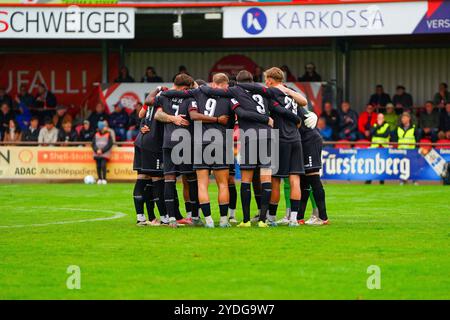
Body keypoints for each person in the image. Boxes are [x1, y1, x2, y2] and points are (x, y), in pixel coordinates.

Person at [162, 74, 235, 228]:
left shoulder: (197, 93)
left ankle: (208, 220)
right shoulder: (228, 97)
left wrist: (163, 91)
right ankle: (223, 220)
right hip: (219, 140)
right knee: (223, 184)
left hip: (200, 142)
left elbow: (177, 95)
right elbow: (234, 119)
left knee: (202, 184)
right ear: (222, 84)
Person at [154, 73, 199, 228]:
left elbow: (157, 114)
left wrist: (171, 118)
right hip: (185, 142)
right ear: (184, 87)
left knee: (169, 179)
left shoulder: (163, 96)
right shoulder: (189, 97)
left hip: (168, 142)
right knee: (191, 179)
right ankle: (194, 216)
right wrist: (175, 118)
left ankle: (171, 218)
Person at [133, 88, 167, 226]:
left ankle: (142, 217)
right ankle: (164, 218)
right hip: (152, 146)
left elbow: (141, 115)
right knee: (157, 180)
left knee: (143, 179)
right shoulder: (161, 107)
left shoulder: (147, 107)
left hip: (140, 143)